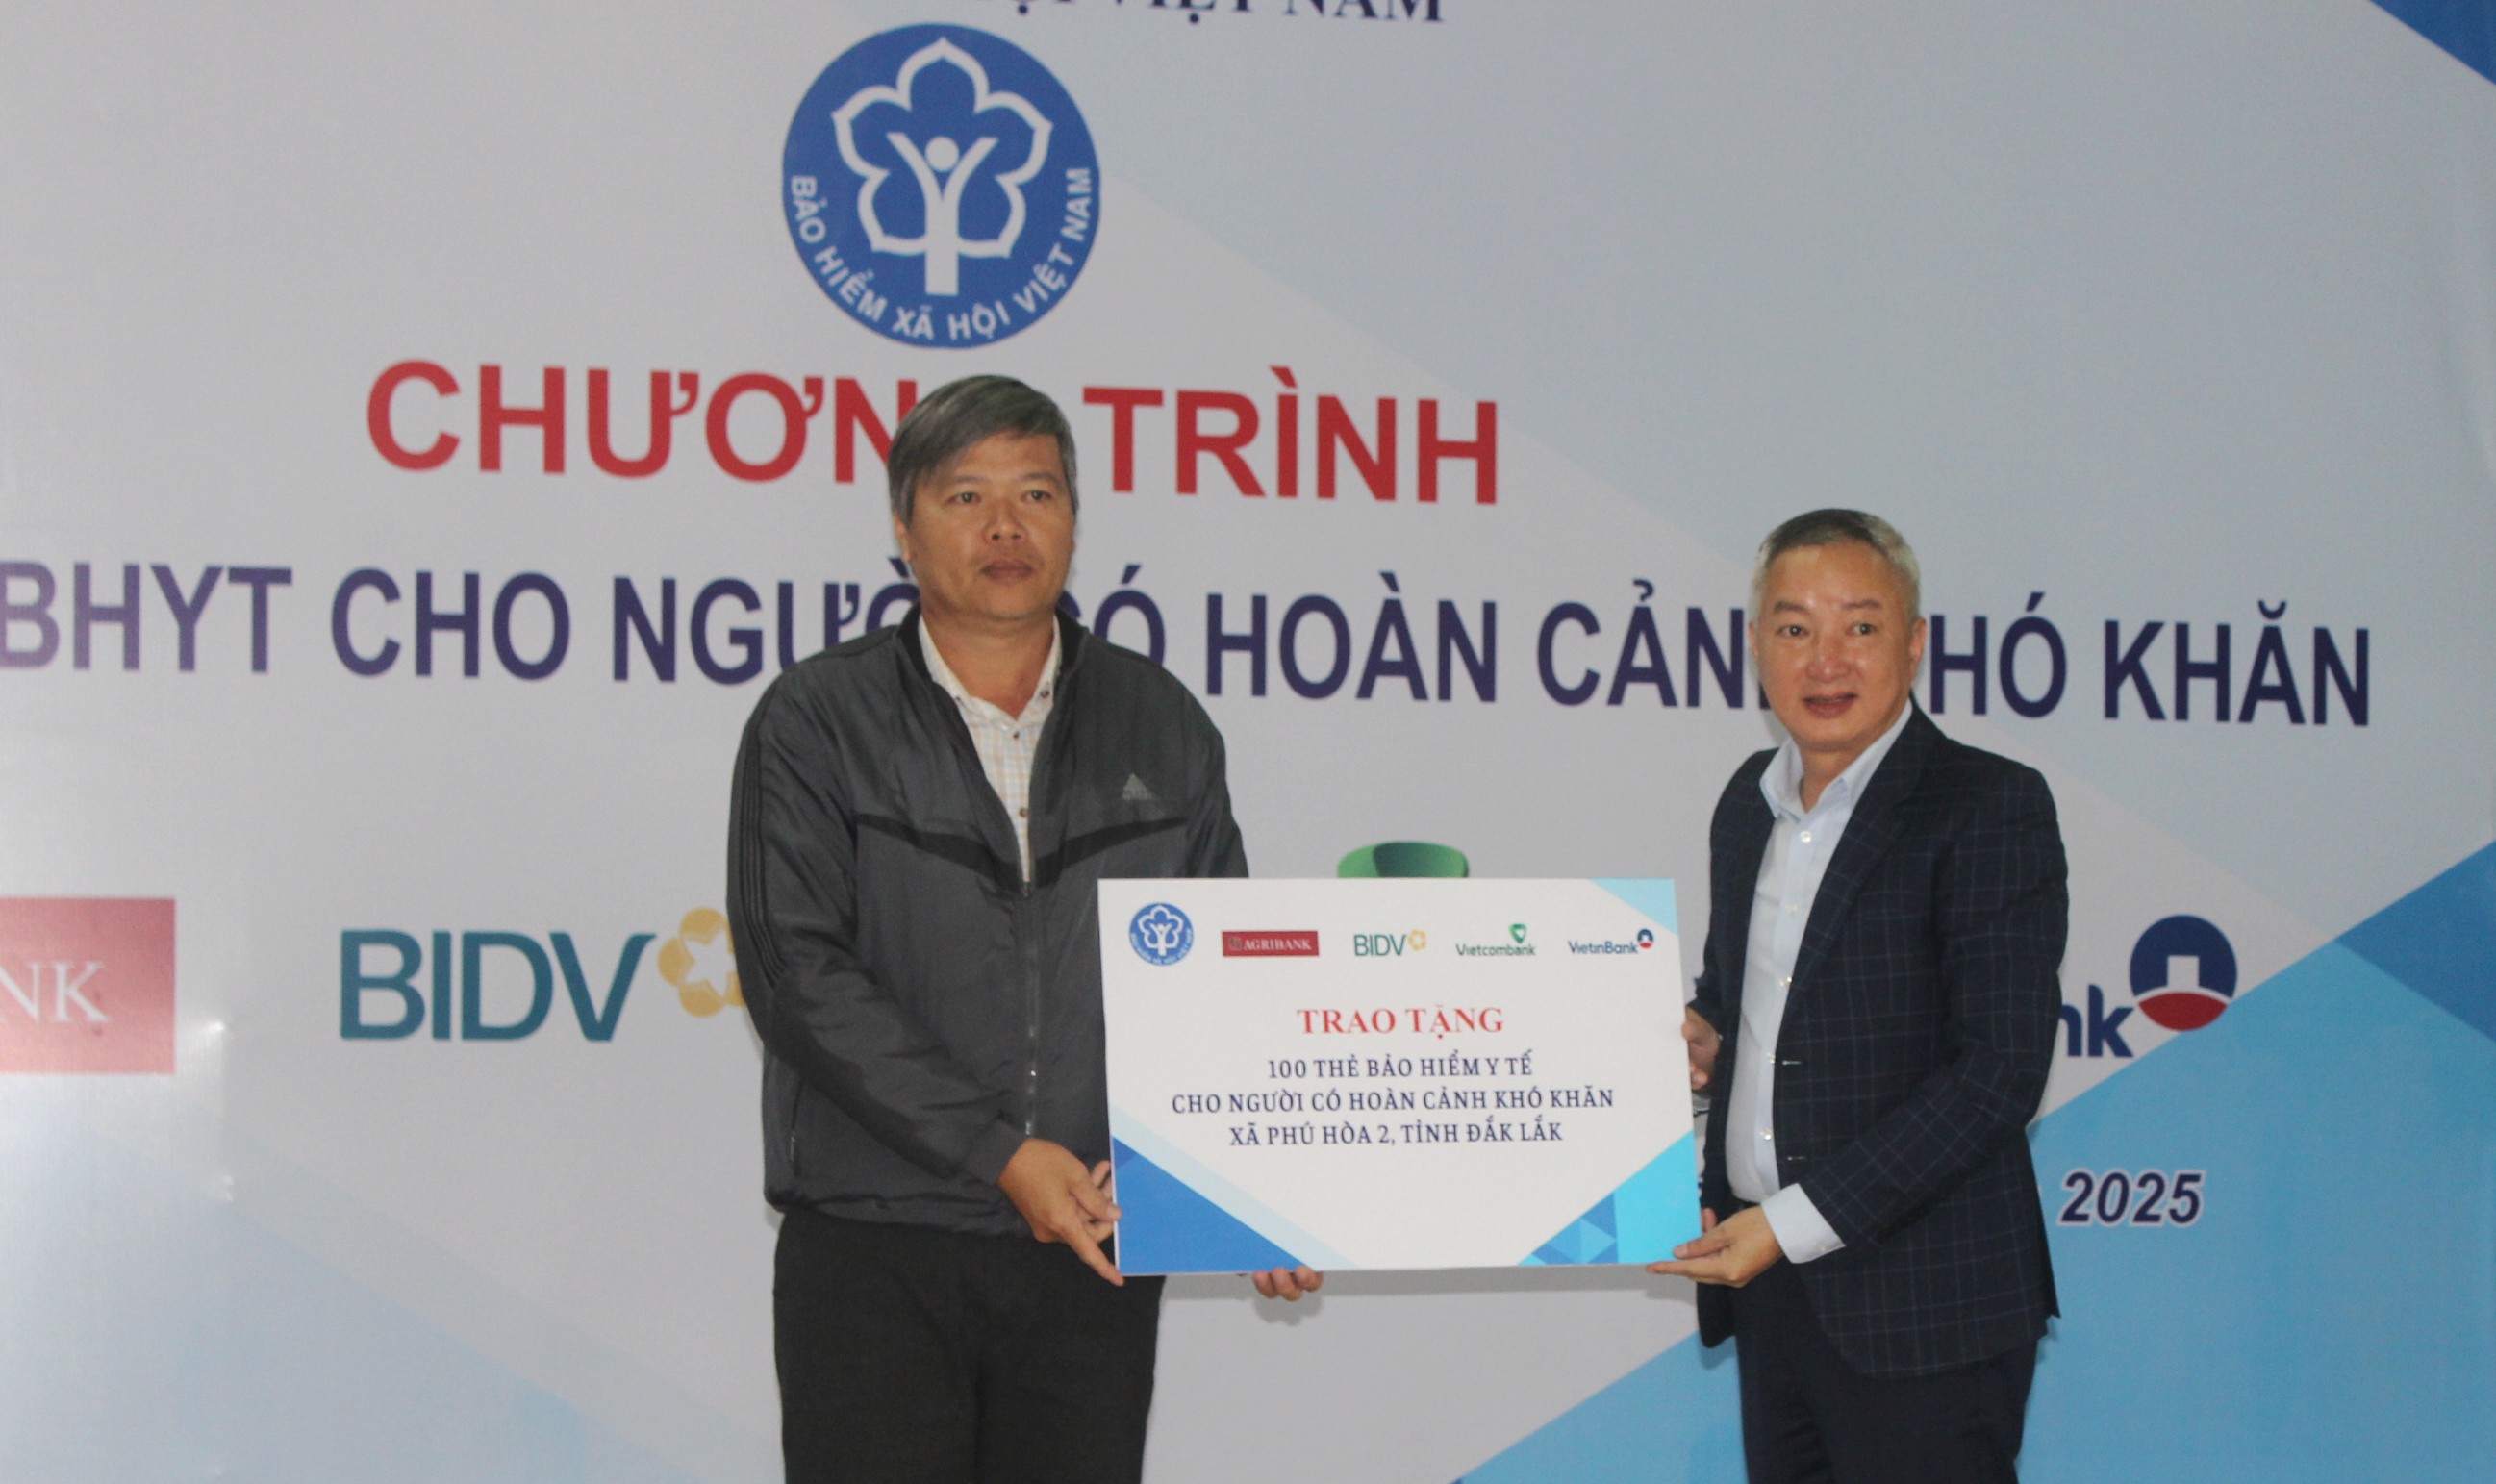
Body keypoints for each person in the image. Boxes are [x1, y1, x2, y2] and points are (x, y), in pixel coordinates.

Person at [726, 375, 1317, 1484]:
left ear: (1074, 523)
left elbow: (1225, 979)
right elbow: (796, 974)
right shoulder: (816, 720)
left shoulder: (1162, 722)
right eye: (967, 497)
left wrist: (1253, 1189)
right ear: (904, 529)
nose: (1007, 526)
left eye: (1037, 494)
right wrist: (998, 1153)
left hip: (1090, 1242)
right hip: (878, 1243)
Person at [1651, 510, 2066, 1483]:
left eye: (1860, 626)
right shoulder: (1746, 804)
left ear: (1914, 643)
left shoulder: (1987, 804)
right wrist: (1708, 1041)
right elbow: (1738, 998)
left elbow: (1997, 1072)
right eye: (1794, 627)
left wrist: (1788, 1222)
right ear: (1756, 646)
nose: (1825, 659)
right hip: (1772, 1293)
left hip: (1925, 1303)